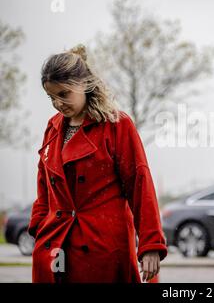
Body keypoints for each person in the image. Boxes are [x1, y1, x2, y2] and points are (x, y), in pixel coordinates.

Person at [28, 44, 167, 283]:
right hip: (54, 247)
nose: (58, 103)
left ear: (84, 85)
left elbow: (140, 183)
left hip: (103, 249)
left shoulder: (117, 124)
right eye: (51, 97)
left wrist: (150, 243)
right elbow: (44, 187)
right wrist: (39, 228)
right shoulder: (52, 127)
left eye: (64, 94)